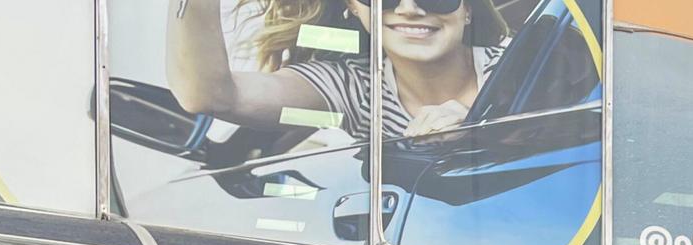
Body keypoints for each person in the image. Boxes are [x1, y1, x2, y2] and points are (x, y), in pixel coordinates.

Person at [166, 0, 510, 140]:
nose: (409, 8)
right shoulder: (355, 87)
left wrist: (486, 127)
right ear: (353, 8)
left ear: (468, 9)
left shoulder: (518, 68)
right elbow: (210, 95)